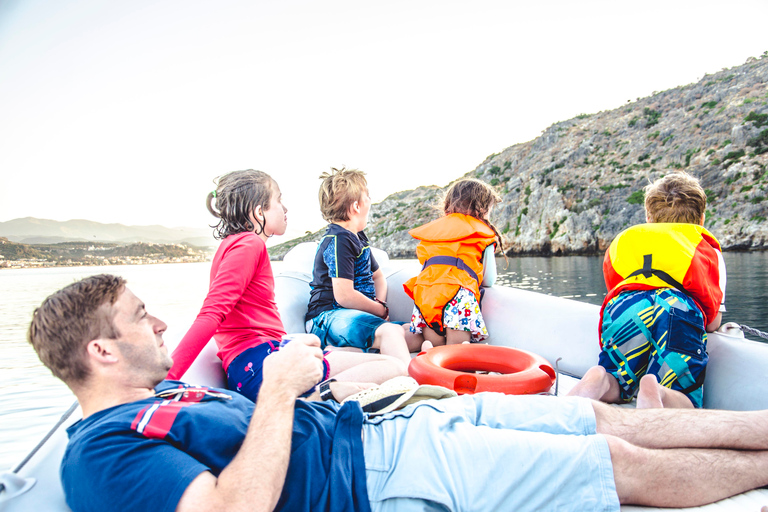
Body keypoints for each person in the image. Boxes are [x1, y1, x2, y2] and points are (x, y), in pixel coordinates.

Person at [27, 274, 768, 512]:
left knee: (591, 413)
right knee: (613, 459)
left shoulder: (162, 398)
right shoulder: (101, 454)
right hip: (376, 478)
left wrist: (305, 384)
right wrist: (281, 389)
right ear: (100, 352)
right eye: (138, 318)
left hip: (382, 427)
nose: (159, 322)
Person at [167, 170, 405, 402]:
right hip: (261, 367)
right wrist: (168, 380)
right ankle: (320, 396)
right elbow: (212, 312)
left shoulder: (232, 244)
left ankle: (326, 391)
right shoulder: (249, 244)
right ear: (259, 211)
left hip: (261, 361)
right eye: (278, 200)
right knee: (394, 367)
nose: (285, 208)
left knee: (351, 353)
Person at [569, 172, 726, 409]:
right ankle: (658, 391)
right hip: (678, 308)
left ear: (648, 218)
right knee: (685, 397)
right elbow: (712, 323)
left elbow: (620, 289)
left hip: (627, 305)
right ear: (701, 219)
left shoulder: (625, 243)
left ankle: (600, 378)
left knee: (616, 377)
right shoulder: (707, 251)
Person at [305, 167, 420, 364]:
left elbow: (378, 277)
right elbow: (344, 296)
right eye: (367, 196)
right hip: (326, 318)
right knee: (391, 331)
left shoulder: (358, 238)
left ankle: (352, 353)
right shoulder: (339, 239)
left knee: (415, 332)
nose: (370, 201)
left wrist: (380, 306)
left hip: (356, 316)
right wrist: (379, 311)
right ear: (357, 206)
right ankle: (405, 381)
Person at [403, 178, 503, 349]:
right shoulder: (482, 234)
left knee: (434, 345)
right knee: (456, 350)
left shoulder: (435, 233)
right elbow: (489, 280)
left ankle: (427, 353)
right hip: (458, 294)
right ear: (483, 209)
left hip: (427, 293)